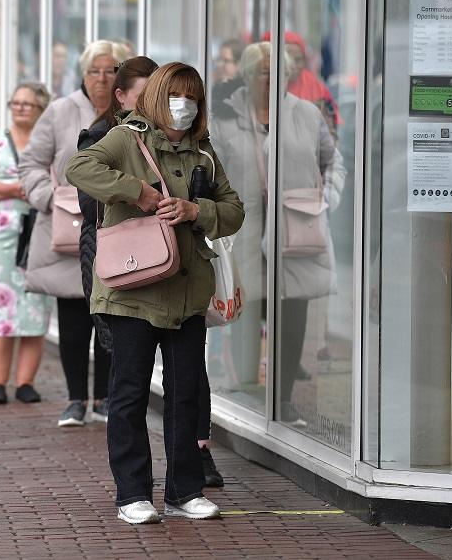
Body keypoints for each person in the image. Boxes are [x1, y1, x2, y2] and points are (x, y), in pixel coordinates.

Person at [66, 62, 244, 524]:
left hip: (186, 291)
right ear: (157, 97)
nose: (184, 106)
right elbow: (79, 167)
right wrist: (138, 193)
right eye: (175, 96)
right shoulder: (128, 137)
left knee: (185, 393)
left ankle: (184, 491)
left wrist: (194, 210)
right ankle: (132, 494)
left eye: (193, 98)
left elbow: (233, 210)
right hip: (132, 288)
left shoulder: (203, 151)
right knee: (128, 394)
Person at [216, 42, 344, 427]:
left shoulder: (305, 114)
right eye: (263, 73)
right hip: (244, 233)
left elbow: (333, 161)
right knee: (244, 314)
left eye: (280, 73)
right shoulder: (225, 116)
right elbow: (211, 168)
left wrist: (326, 200)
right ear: (247, 75)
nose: (273, 80)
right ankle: (248, 395)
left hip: (295, 232)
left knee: (291, 318)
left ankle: (282, 400)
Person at [18, 39, 129, 427]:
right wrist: (49, 197)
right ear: (82, 74)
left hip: (117, 230)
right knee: (73, 315)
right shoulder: (60, 111)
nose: (102, 78)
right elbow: (30, 162)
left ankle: (105, 398)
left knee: (112, 315)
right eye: (94, 71)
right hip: (68, 229)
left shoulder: (128, 113)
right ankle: (75, 399)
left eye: (111, 70)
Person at [0, 82, 52, 404]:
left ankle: (25, 383)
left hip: (39, 229)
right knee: (1, 305)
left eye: (27, 104)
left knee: (36, 305)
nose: (19, 108)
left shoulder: (47, 141)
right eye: (15, 102)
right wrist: (14, 190)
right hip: (2, 231)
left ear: (41, 109)